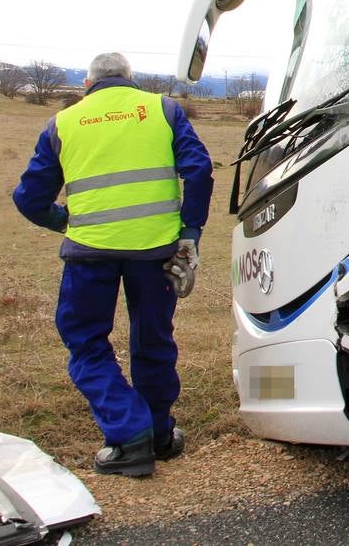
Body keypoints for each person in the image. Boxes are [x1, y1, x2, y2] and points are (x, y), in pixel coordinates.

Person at [13, 52, 213, 477]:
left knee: (86, 343)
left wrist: (63, 218)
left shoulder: (64, 123)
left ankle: (129, 435)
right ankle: (159, 436)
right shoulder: (164, 110)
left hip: (90, 253)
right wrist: (189, 233)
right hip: (157, 251)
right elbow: (199, 170)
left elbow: (28, 198)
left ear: (87, 85)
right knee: (153, 340)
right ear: (130, 80)